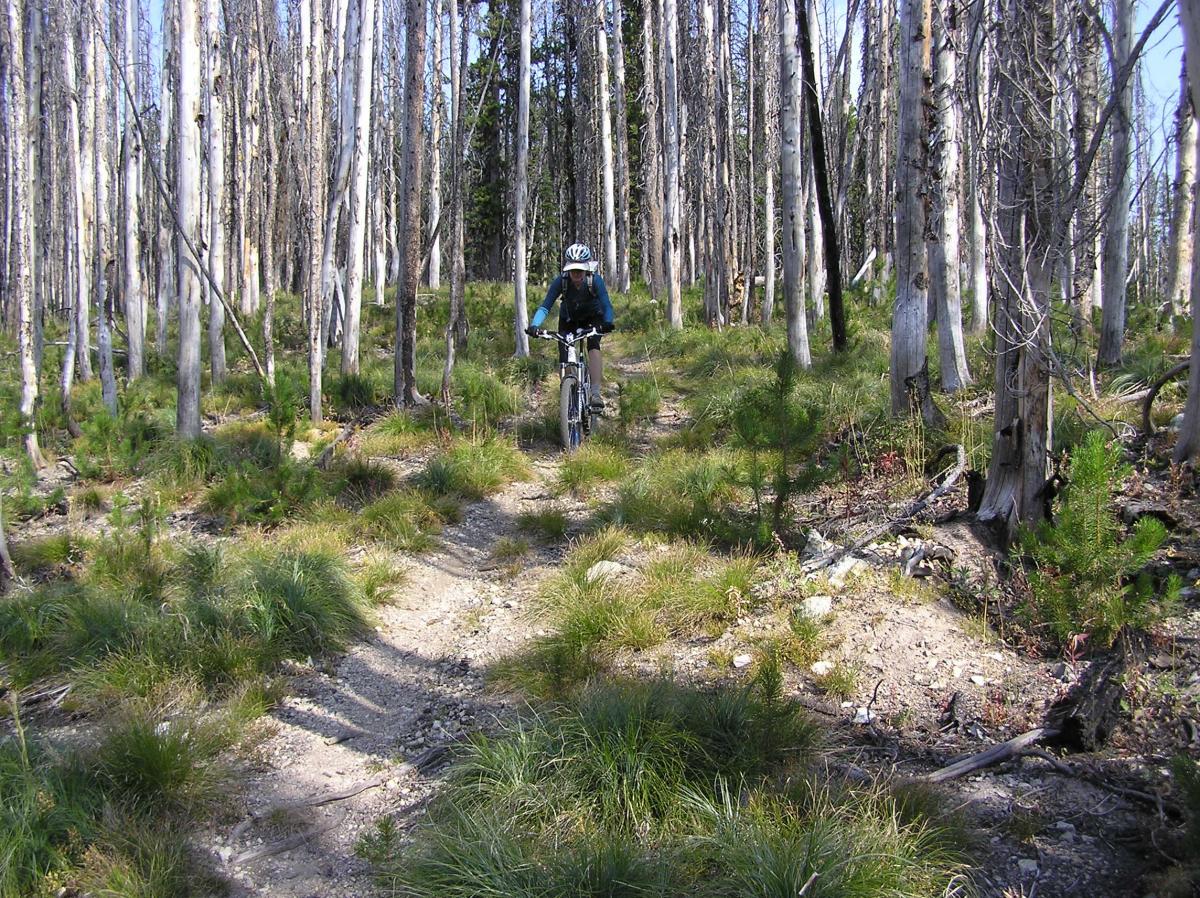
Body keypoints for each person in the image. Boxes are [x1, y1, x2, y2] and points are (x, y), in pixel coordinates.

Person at [527, 243, 614, 410]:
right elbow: (546, 306)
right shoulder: (561, 281)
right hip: (569, 319)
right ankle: (568, 393)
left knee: (593, 345)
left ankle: (595, 393)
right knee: (564, 352)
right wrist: (534, 325)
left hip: (593, 317)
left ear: (586, 268)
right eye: (573, 270)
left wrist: (607, 322)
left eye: (580, 270)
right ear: (568, 269)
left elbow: (606, 305)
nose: (576, 274)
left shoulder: (595, 281)